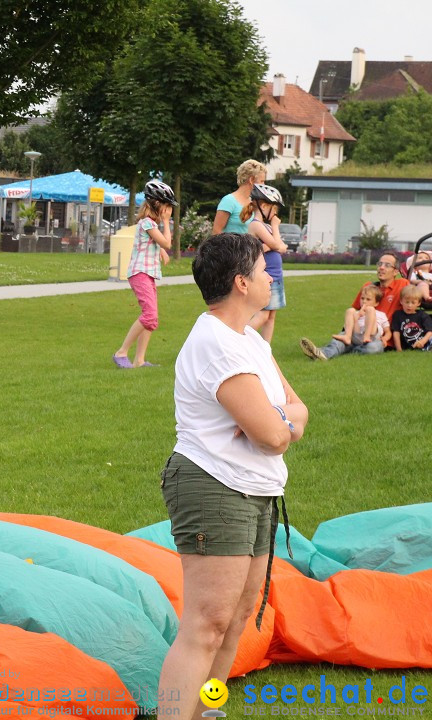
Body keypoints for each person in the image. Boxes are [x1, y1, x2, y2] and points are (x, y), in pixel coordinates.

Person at [157, 232, 307, 720]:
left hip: (257, 487)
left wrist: (277, 421)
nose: (271, 277)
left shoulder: (249, 341)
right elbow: (276, 435)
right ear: (242, 282)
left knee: (237, 616)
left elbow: (297, 411)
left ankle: (206, 709)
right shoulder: (218, 345)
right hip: (215, 486)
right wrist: (277, 422)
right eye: (264, 270)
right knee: (208, 622)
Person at [112, 179, 176, 369]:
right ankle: (121, 352)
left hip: (148, 273)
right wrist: (166, 222)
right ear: (157, 204)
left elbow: (157, 244)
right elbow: (166, 243)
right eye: (167, 206)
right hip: (140, 273)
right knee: (149, 316)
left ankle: (139, 360)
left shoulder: (150, 225)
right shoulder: (147, 223)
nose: (169, 210)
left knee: (151, 319)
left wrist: (162, 252)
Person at [299, 251, 409, 360]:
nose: (381, 267)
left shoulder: (402, 285)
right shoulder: (368, 287)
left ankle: (349, 349)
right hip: (357, 331)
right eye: (379, 264)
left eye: (387, 265)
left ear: (395, 272)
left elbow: (415, 295)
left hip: (377, 337)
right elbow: (355, 311)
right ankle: (321, 354)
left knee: (373, 348)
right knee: (341, 339)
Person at [243, 184, 288, 343]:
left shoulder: (266, 227)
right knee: (263, 314)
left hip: (275, 276)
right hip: (266, 276)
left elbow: (281, 246)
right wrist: (275, 229)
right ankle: (237, 339)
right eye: (274, 208)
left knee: (270, 316)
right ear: (263, 206)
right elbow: (278, 245)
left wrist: (272, 243)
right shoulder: (256, 225)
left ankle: (265, 349)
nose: (275, 213)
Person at [211, 159, 269, 236]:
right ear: (251, 180)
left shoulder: (253, 203)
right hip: (230, 248)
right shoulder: (228, 201)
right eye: (262, 181)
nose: (264, 185)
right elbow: (216, 232)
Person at [390, 285, 432, 351]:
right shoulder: (397, 315)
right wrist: (399, 349)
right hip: (407, 345)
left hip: (424, 342)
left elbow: (430, 331)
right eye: (407, 302)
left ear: (418, 303)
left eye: (413, 302)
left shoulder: (423, 315)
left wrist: (423, 341)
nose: (409, 305)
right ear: (401, 301)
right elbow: (396, 332)